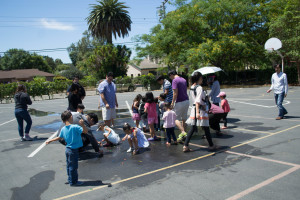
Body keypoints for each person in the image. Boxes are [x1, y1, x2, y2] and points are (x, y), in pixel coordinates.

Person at [46, 110, 88, 186]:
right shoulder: (75, 127)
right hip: (73, 150)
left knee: (69, 165)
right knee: (73, 166)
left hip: (67, 149)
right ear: (71, 117)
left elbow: (59, 137)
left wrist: (50, 140)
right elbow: (85, 131)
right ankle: (73, 182)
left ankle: (70, 179)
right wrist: (82, 125)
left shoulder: (63, 128)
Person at [184, 72, 216, 152]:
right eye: (201, 78)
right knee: (206, 128)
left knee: (193, 128)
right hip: (200, 110)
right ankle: (211, 145)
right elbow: (198, 101)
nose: (202, 80)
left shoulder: (192, 87)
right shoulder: (199, 88)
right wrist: (198, 112)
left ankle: (186, 145)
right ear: (199, 78)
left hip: (194, 109)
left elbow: (195, 100)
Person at [168, 70, 189, 141]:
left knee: (175, 119)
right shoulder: (183, 79)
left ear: (171, 74)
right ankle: (184, 135)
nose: (170, 78)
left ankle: (183, 132)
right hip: (186, 100)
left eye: (169, 77)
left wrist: (172, 103)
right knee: (184, 118)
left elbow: (175, 93)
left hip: (179, 101)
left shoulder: (174, 80)